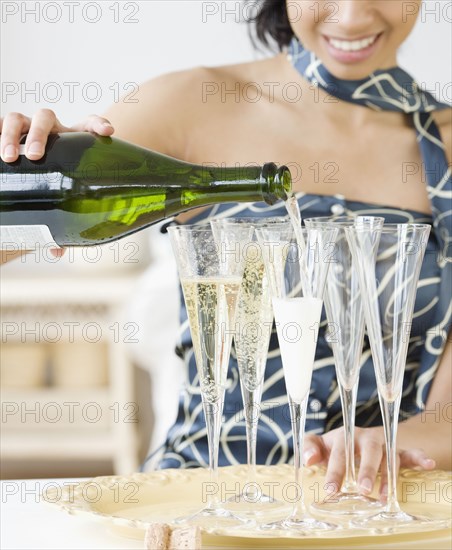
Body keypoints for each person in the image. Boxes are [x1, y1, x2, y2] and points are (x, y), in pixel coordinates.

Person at [1, 0, 450, 497]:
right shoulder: (193, 102)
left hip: (370, 505)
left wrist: (376, 446)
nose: (351, 16)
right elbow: (20, 224)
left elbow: (444, 421)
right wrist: (25, 169)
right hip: (201, 496)